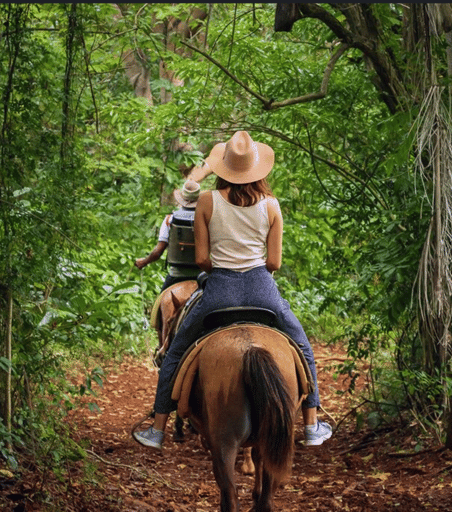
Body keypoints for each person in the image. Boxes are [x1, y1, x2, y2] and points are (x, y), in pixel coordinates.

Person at [133, 130, 332, 450]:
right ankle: (311, 426)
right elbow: (275, 263)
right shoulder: (271, 204)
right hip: (262, 290)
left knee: (175, 349)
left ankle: (157, 429)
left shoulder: (208, 201)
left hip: (219, 291)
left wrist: (221, 271)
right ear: (258, 169)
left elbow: (200, 259)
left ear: (224, 169)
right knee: (302, 345)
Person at [135, 179, 202, 292]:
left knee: (158, 306)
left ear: (182, 198)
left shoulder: (170, 219)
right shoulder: (207, 220)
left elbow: (158, 252)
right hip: (201, 275)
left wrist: (144, 262)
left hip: (177, 275)